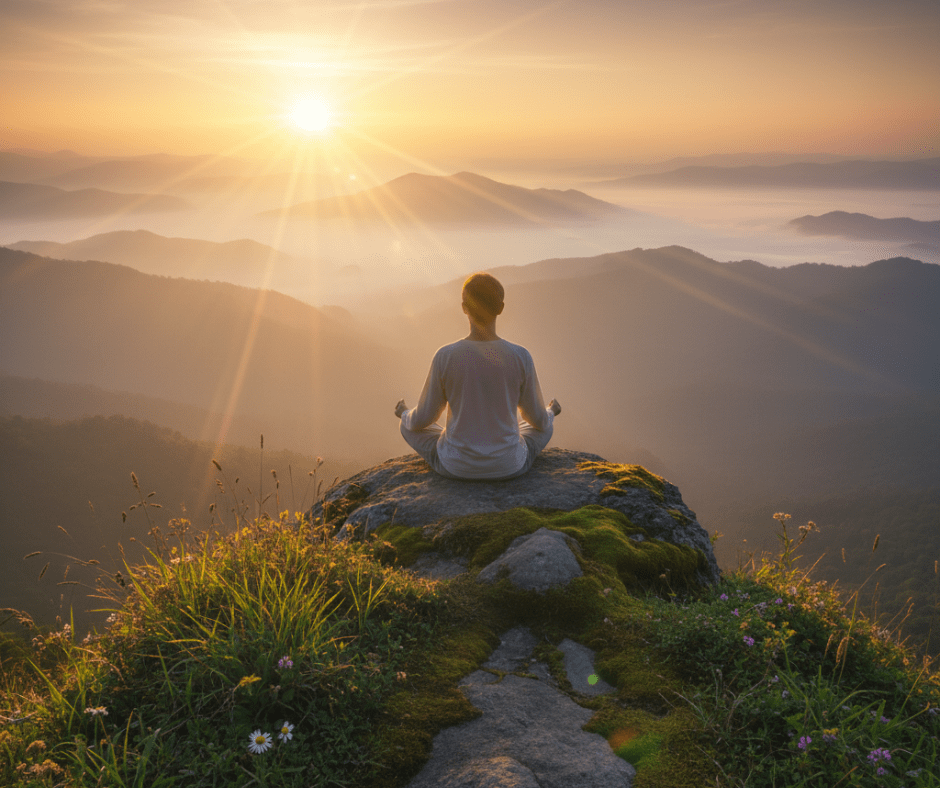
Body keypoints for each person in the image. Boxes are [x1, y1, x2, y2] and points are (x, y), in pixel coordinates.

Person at [395, 272, 561, 480]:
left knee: (407, 426)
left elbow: (423, 419)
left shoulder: (446, 356)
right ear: (501, 308)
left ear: (464, 308)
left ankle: (456, 448)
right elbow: (536, 419)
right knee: (544, 427)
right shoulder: (520, 356)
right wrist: (551, 412)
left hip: (455, 466)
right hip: (509, 466)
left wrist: (404, 413)